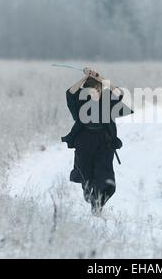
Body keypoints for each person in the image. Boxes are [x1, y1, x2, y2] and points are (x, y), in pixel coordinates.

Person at [61, 68, 133, 215]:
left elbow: (119, 93)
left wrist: (101, 78)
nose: (94, 93)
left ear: (100, 90)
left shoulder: (107, 101)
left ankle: (97, 206)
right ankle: (89, 194)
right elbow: (69, 93)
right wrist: (85, 77)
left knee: (106, 180)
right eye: (90, 91)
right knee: (86, 177)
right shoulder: (80, 102)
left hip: (104, 143)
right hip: (84, 141)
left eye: (97, 90)